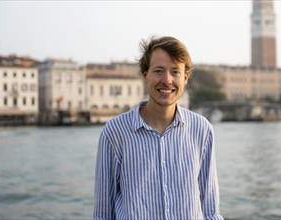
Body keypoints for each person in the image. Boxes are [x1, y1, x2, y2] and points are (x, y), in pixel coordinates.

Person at [94, 36, 223, 220]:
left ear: (185, 78)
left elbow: (211, 212)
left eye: (175, 72)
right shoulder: (115, 132)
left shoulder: (202, 130)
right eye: (159, 71)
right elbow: (103, 215)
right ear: (145, 75)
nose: (167, 80)